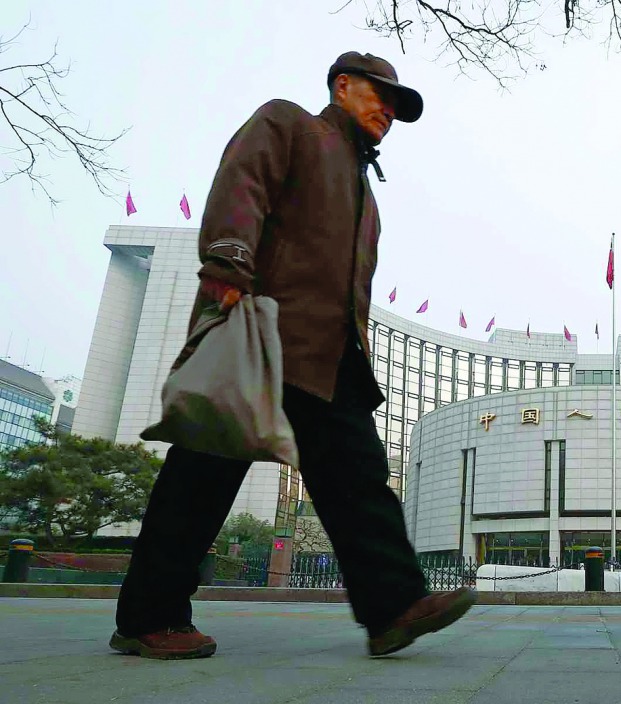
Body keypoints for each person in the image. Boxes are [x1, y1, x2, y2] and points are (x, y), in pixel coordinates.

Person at [109, 51, 475, 660]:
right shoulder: (290, 125)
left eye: (397, 106)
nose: (389, 111)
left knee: (360, 479)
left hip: (332, 357)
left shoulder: (365, 190)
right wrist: (228, 261)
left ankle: (392, 608)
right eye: (380, 95)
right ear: (342, 84)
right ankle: (149, 617)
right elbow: (242, 182)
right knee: (202, 474)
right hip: (263, 332)